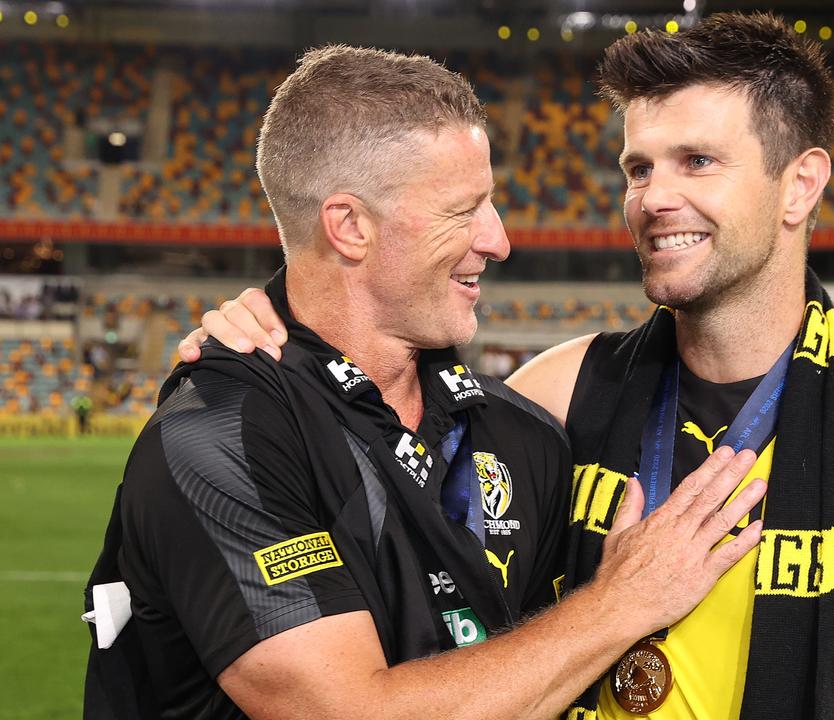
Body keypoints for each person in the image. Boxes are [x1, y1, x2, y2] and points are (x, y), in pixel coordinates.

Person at [184, 14, 834, 719]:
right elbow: (350, 469)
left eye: (697, 162)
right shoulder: (560, 386)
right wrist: (260, 345)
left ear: (798, 183)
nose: (651, 196)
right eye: (637, 165)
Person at [85, 45, 767, 720]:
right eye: (462, 211)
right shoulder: (220, 437)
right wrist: (622, 603)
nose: (498, 241)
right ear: (350, 226)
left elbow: (542, 680)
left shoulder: (522, 432)